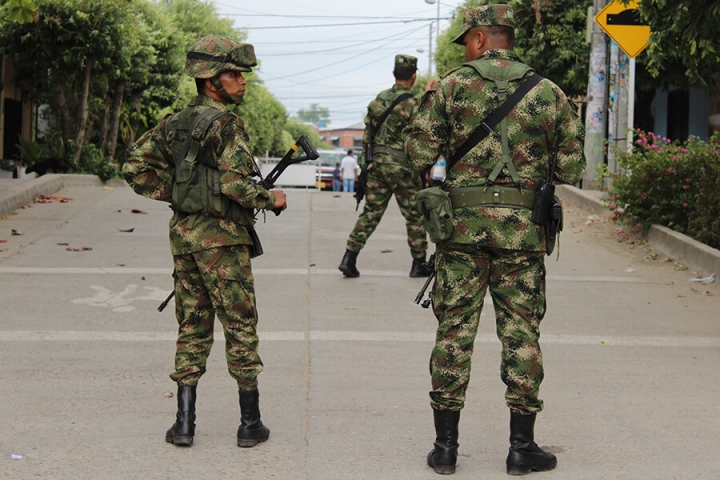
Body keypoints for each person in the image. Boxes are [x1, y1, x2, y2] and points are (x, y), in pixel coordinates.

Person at [404, 5, 586, 476]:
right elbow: (571, 169)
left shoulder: (449, 86)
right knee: (522, 335)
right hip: (524, 234)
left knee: (454, 331)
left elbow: (419, 152)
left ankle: (445, 449)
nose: (465, 48)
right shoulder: (549, 92)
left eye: (467, 39)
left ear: (483, 38)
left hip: (461, 232)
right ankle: (521, 449)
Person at [122, 35, 286, 449]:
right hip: (224, 243)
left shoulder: (173, 122)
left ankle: (183, 424)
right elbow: (235, 185)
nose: (243, 81)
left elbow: (134, 168)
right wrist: (271, 199)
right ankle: (250, 424)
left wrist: (179, 196)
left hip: (184, 240)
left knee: (191, 327)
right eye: (234, 74)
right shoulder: (227, 123)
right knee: (239, 326)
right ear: (212, 80)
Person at [338, 54, 432, 278]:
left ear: (393, 74)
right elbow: (425, 135)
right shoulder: (413, 104)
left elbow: (367, 137)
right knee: (414, 216)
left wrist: (364, 168)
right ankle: (418, 263)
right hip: (403, 169)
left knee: (370, 214)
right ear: (414, 76)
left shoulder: (377, 101)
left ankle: (349, 257)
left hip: (377, 167)